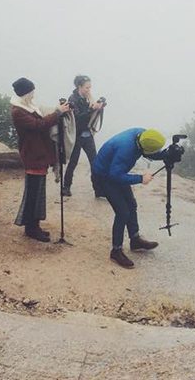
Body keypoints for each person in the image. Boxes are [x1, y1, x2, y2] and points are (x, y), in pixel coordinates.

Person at [91, 127, 166, 269]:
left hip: (115, 170)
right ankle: (116, 250)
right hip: (104, 176)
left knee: (131, 204)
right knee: (122, 212)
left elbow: (149, 151)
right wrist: (140, 179)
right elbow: (115, 175)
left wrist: (166, 154)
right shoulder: (126, 150)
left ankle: (135, 240)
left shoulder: (143, 135)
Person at [10, 77, 71, 242]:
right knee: (33, 194)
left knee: (37, 192)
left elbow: (42, 119)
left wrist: (58, 110)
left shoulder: (27, 107)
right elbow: (38, 125)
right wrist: (57, 113)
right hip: (32, 155)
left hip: (38, 154)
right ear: (25, 93)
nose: (33, 95)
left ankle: (34, 226)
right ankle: (31, 228)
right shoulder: (18, 111)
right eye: (31, 92)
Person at [62, 74, 105, 198]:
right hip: (76, 135)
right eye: (87, 88)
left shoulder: (88, 98)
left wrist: (100, 106)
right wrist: (92, 108)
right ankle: (66, 187)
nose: (89, 90)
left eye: (90, 88)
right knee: (73, 162)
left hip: (87, 135)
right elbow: (77, 118)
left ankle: (98, 190)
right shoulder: (73, 99)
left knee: (95, 162)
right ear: (79, 86)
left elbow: (91, 114)